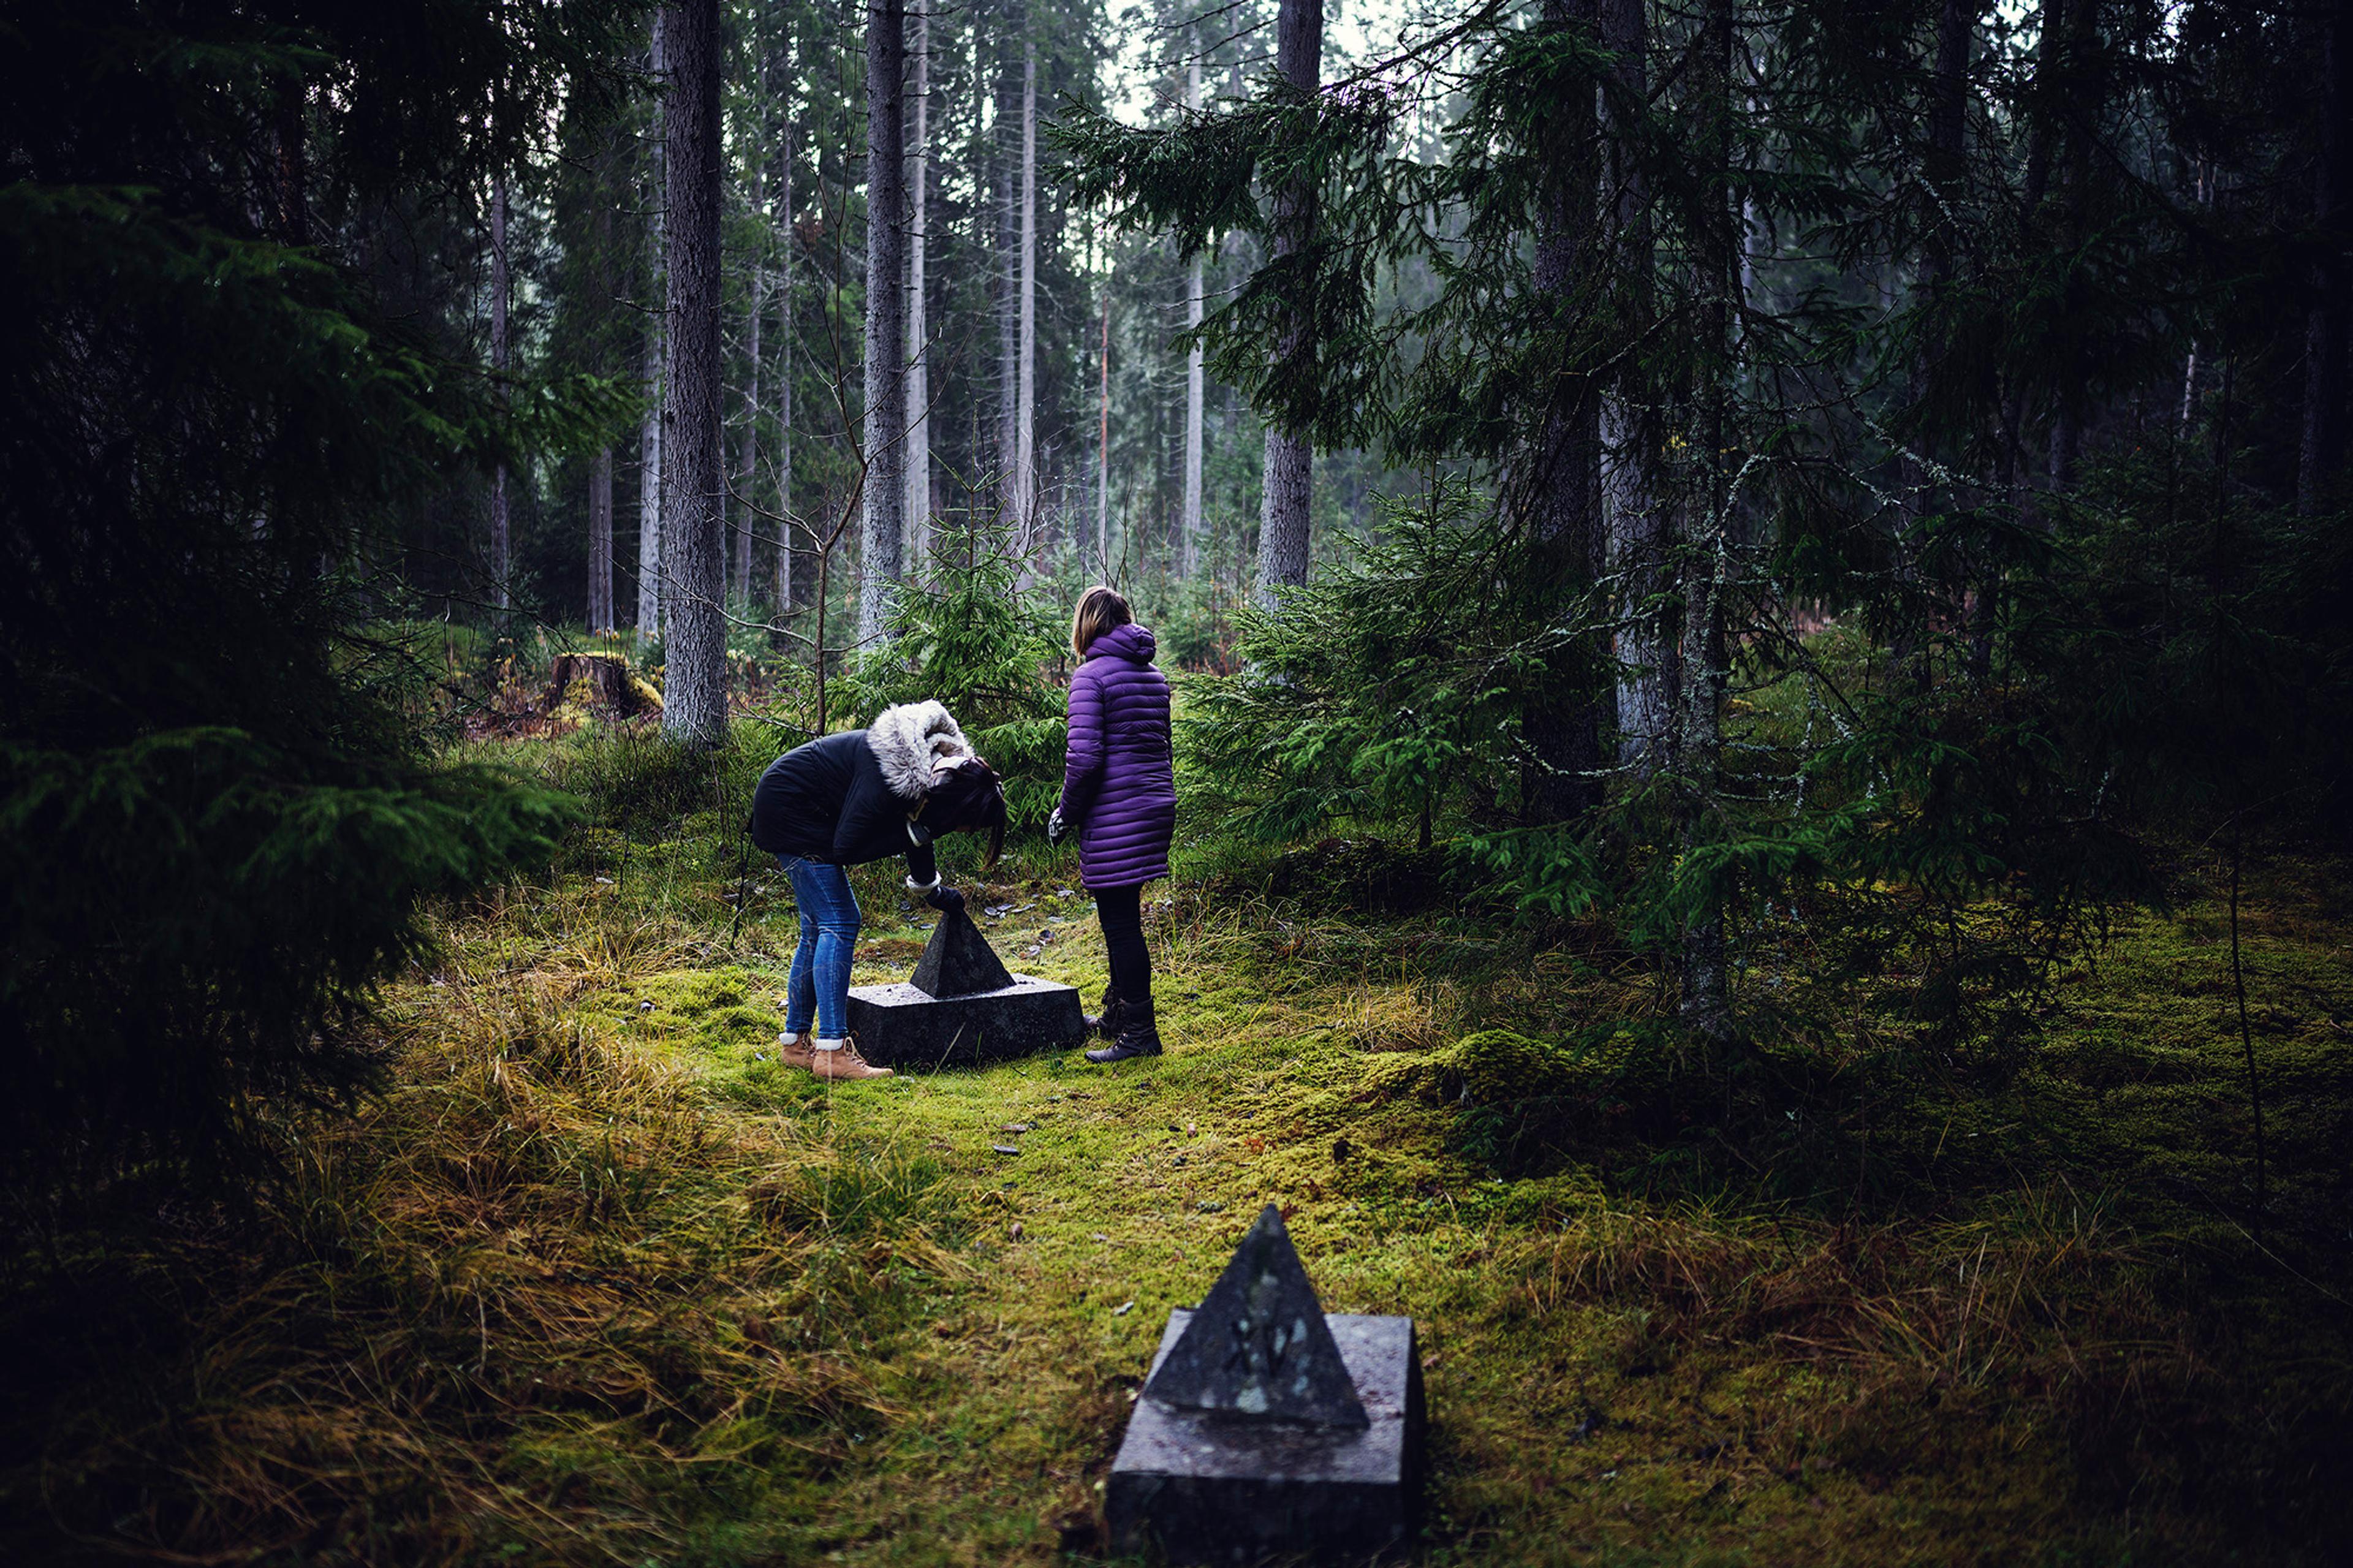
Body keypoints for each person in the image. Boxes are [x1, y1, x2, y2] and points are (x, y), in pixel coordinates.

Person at [751, 700, 1006, 1080]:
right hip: (791, 811)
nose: (960, 832)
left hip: (794, 807)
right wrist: (914, 835)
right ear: (955, 807)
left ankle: (796, 1045)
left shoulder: (930, 772)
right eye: (964, 825)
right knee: (840, 921)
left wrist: (932, 892)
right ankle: (833, 1052)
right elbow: (847, 847)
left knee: (816, 929)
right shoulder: (888, 773)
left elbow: (919, 828)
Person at [1048, 586, 1176, 1064]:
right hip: (1154, 805)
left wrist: (1066, 812)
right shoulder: (1155, 676)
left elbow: (1083, 759)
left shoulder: (1090, 677)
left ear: (1087, 625)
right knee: (1123, 918)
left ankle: (1141, 1032)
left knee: (1120, 925)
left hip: (1116, 812)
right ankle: (1120, 1015)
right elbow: (1164, 749)